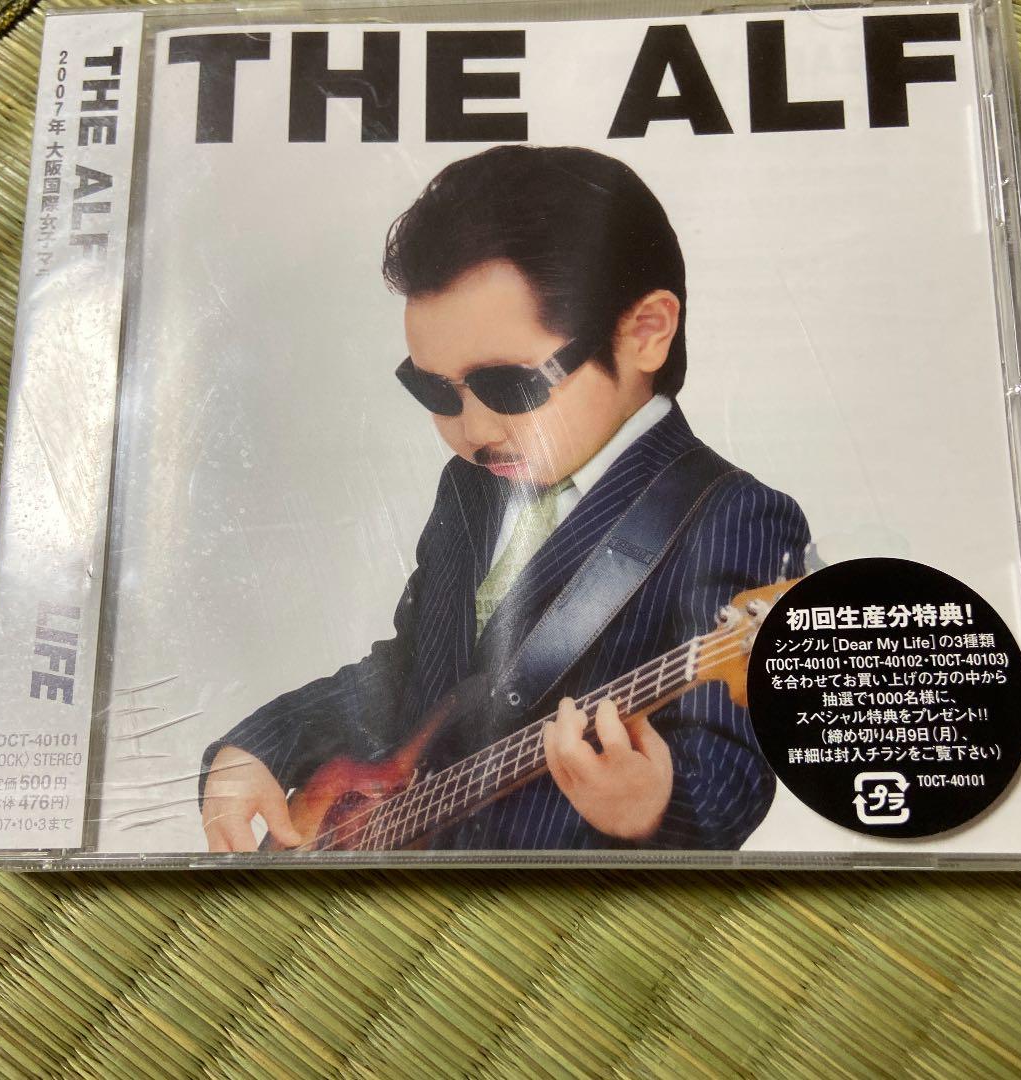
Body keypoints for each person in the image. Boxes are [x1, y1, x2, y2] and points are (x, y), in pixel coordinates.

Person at [200, 145, 810, 853]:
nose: (476, 430)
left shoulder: (733, 514)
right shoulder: (470, 485)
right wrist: (262, 744)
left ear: (646, 332)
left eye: (511, 385)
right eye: (434, 391)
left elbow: (733, 762)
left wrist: (654, 805)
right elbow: (410, 672)